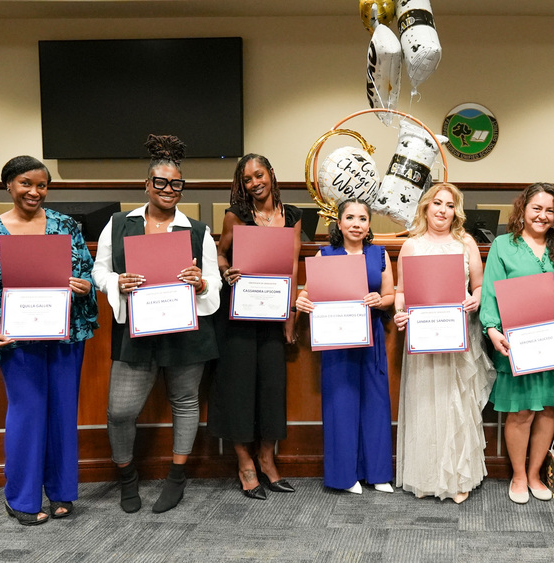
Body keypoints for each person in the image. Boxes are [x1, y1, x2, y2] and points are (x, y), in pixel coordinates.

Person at [0, 156, 98, 526]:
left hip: (64, 336)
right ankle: (21, 497)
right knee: (27, 413)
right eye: (26, 183)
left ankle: (60, 491)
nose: (34, 192)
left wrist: (86, 286)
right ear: (8, 185)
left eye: (41, 185)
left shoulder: (65, 225)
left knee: (62, 414)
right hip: (15, 340)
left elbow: (86, 274)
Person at [92, 134, 221, 514]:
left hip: (185, 331)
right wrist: (116, 281)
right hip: (136, 330)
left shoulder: (198, 232)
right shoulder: (118, 224)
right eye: (160, 182)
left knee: (184, 402)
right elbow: (99, 270)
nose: (168, 189)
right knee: (120, 411)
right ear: (147, 185)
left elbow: (213, 282)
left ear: (182, 188)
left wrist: (200, 282)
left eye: (176, 183)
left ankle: (177, 477)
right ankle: (127, 477)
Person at [392, 183, 496, 503]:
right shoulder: (411, 246)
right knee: (426, 402)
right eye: (437, 203)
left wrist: (474, 301)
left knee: (455, 403)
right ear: (425, 207)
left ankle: (457, 478)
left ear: (456, 211)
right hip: (423, 337)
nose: (442, 210)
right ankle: (426, 476)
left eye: (449, 205)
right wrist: (399, 313)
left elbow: (479, 286)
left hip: (458, 334)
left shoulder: (465, 243)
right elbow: (400, 292)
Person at [479, 182, 554, 504]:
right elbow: (490, 291)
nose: (543, 215)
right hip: (517, 342)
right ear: (522, 209)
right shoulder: (503, 245)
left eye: (550, 210)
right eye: (536, 208)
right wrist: (492, 329)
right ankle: (519, 476)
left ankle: (536, 473)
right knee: (521, 412)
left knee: (548, 409)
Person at [210, 154, 301, 500]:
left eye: (258, 175)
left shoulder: (290, 215)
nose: (254, 183)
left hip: (274, 312)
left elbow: (292, 265)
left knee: (271, 387)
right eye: (247, 179)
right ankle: (245, 462)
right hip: (239, 313)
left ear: (271, 174)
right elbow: (221, 253)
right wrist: (225, 271)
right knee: (238, 388)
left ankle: (267, 457)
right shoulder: (237, 215)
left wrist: (290, 315)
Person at [295, 199, 395, 494]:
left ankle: (377, 474)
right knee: (341, 402)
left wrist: (380, 300)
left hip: (371, 336)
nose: (356, 223)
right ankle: (344, 476)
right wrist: (302, 300)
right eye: (349, 217)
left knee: (376, 403)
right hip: (337, 339)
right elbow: (308, 295)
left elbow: (390, 294)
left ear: (368, 225)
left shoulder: (380, 254)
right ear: (338, 223)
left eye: (362, 218)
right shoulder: (324, 254)